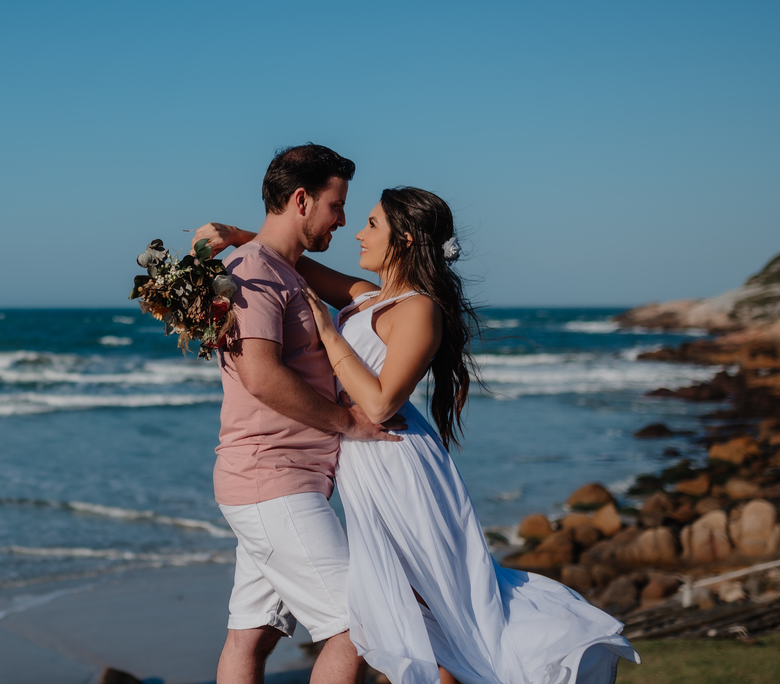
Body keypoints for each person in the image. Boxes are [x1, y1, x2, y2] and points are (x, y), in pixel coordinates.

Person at [196, 186, 640, 684]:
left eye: (371, 224)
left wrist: (329, 336)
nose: (356, 231)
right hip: (359, 461)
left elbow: (382, 403)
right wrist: (241, 237)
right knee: (416, 614)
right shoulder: (368, 297)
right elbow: (291, 265)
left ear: (404, 240)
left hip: (394, 463)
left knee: (415, 608)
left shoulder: (418, 308)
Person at [209, 144, 408, 684]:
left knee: (251, 636)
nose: (343, 220)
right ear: (301, 199)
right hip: (271, 481)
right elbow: (262, 375)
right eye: (336, 206)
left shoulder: (280, 269)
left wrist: (241, 233)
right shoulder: (252, 273)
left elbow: (362, 295)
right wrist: (351, 425)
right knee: (361, 627)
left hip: (283, 480)